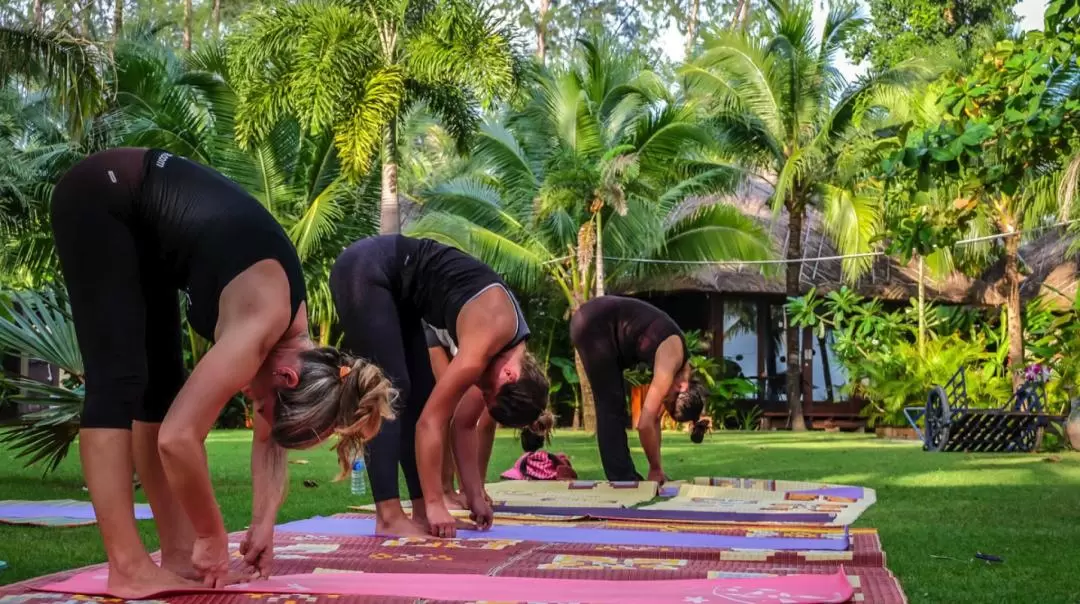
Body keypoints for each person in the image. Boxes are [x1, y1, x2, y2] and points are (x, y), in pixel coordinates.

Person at [50, 148, 394, 599]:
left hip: (145, 233)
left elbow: (268, 441)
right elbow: (178, 439)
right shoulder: (260, 324)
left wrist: (263, 523)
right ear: (287, 378)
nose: (253, 406)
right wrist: (214, 535)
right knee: (119, 381)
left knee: (160, 389)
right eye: (259, 404)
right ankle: (128, 566)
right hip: (105, 195)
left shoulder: (291, 346)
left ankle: (176, 555)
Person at [327, 235, 551, 539]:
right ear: (510, 375)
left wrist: (474, 495)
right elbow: (431, 423)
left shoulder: (504, 357)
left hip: (402, 294)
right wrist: (438, 502)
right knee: (390, 390)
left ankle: (419, 512)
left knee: (419, 395)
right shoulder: (488, 338)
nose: (481, 391)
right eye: (488, 393)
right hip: (367, 271)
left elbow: (463, 425)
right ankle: (389, 516)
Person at [569, 295, 709, 483]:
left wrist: (657, 468)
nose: (664, 402)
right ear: (682, 387)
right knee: (611, 404)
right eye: (668, 402)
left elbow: (655, 420)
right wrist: (655, 468)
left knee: (613, 403)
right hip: (594, 324)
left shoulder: (678, 374)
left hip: (604, 332)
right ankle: (622, 480)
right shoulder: (671, 359)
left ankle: (623, 477)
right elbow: (644, 424)